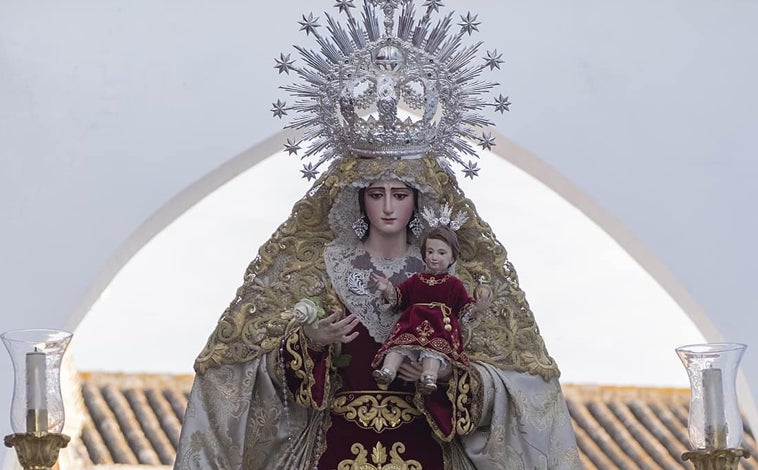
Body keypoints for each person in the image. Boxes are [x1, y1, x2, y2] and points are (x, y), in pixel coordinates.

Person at [174, 1, 583, 468]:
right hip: (332, 448)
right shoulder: (314, 268)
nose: (388, 206)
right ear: (357, 198)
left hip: (429, 448)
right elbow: (237, 371)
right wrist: (307, 342)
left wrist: (451, 373)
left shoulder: (458, 274)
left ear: (418, 200)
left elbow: (519, 382)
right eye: (376, 193)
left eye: (400, 193)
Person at [371, 225, 491, 394]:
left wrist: (478, 308)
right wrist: (387, 288)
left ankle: (429, 376)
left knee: (433, 351)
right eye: (430, 252)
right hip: (412, 323)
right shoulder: (416, 280)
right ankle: (388, 370)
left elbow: (464, 309)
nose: (434, 257)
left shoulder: (453, 284)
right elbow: (398, 297)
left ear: (452, 258)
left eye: (441, 253)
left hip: (440, 325)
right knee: (399, 346)